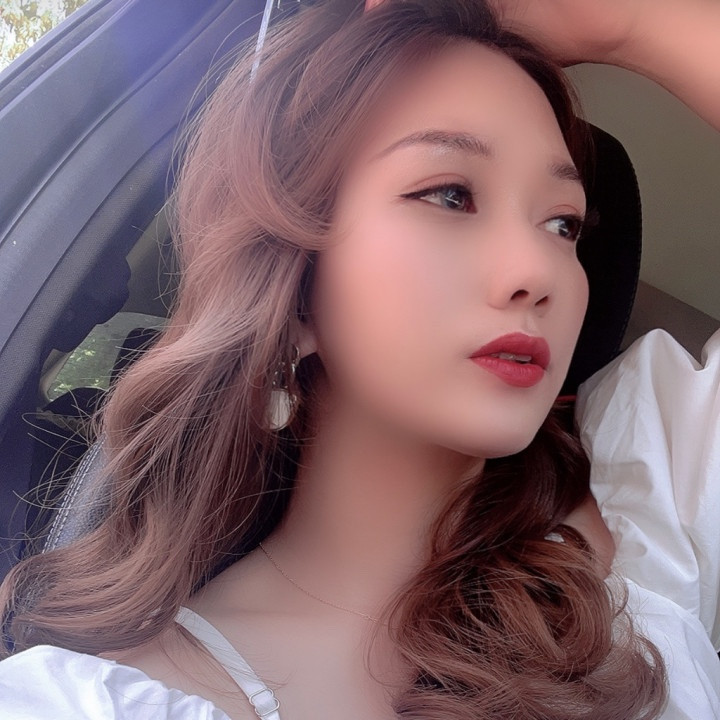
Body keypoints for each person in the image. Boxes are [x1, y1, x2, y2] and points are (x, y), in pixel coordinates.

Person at [0, 0, 718, 717]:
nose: (537, 269)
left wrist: (631, 22)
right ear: (295, 283)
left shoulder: (647, 520)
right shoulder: (82, 703)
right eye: (450, 195)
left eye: (563, 223)